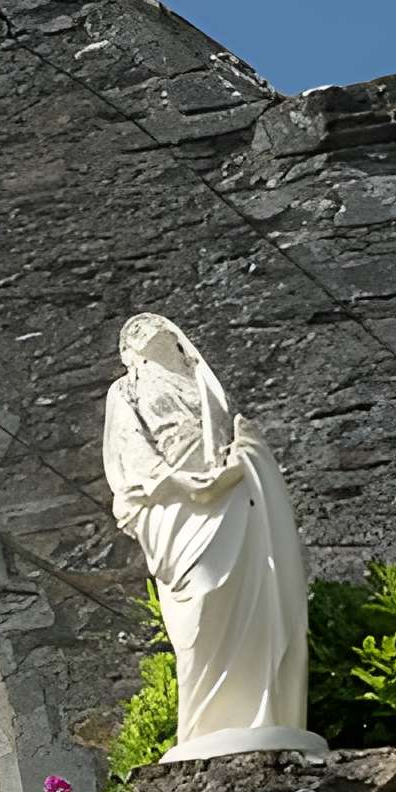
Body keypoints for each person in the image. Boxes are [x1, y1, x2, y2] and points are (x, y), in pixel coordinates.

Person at [101, 313, 323, 760]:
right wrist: (185, 485)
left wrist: (244, 457)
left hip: (229, 500)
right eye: (135, 333)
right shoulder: (125, 390)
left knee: (250, 598)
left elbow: (225, 437)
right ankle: (205, 723)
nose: (145, 332)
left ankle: (260, 713)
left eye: (152, 327)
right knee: (199, 603)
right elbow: (131, 456)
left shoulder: (200, 379)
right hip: (175, 507)